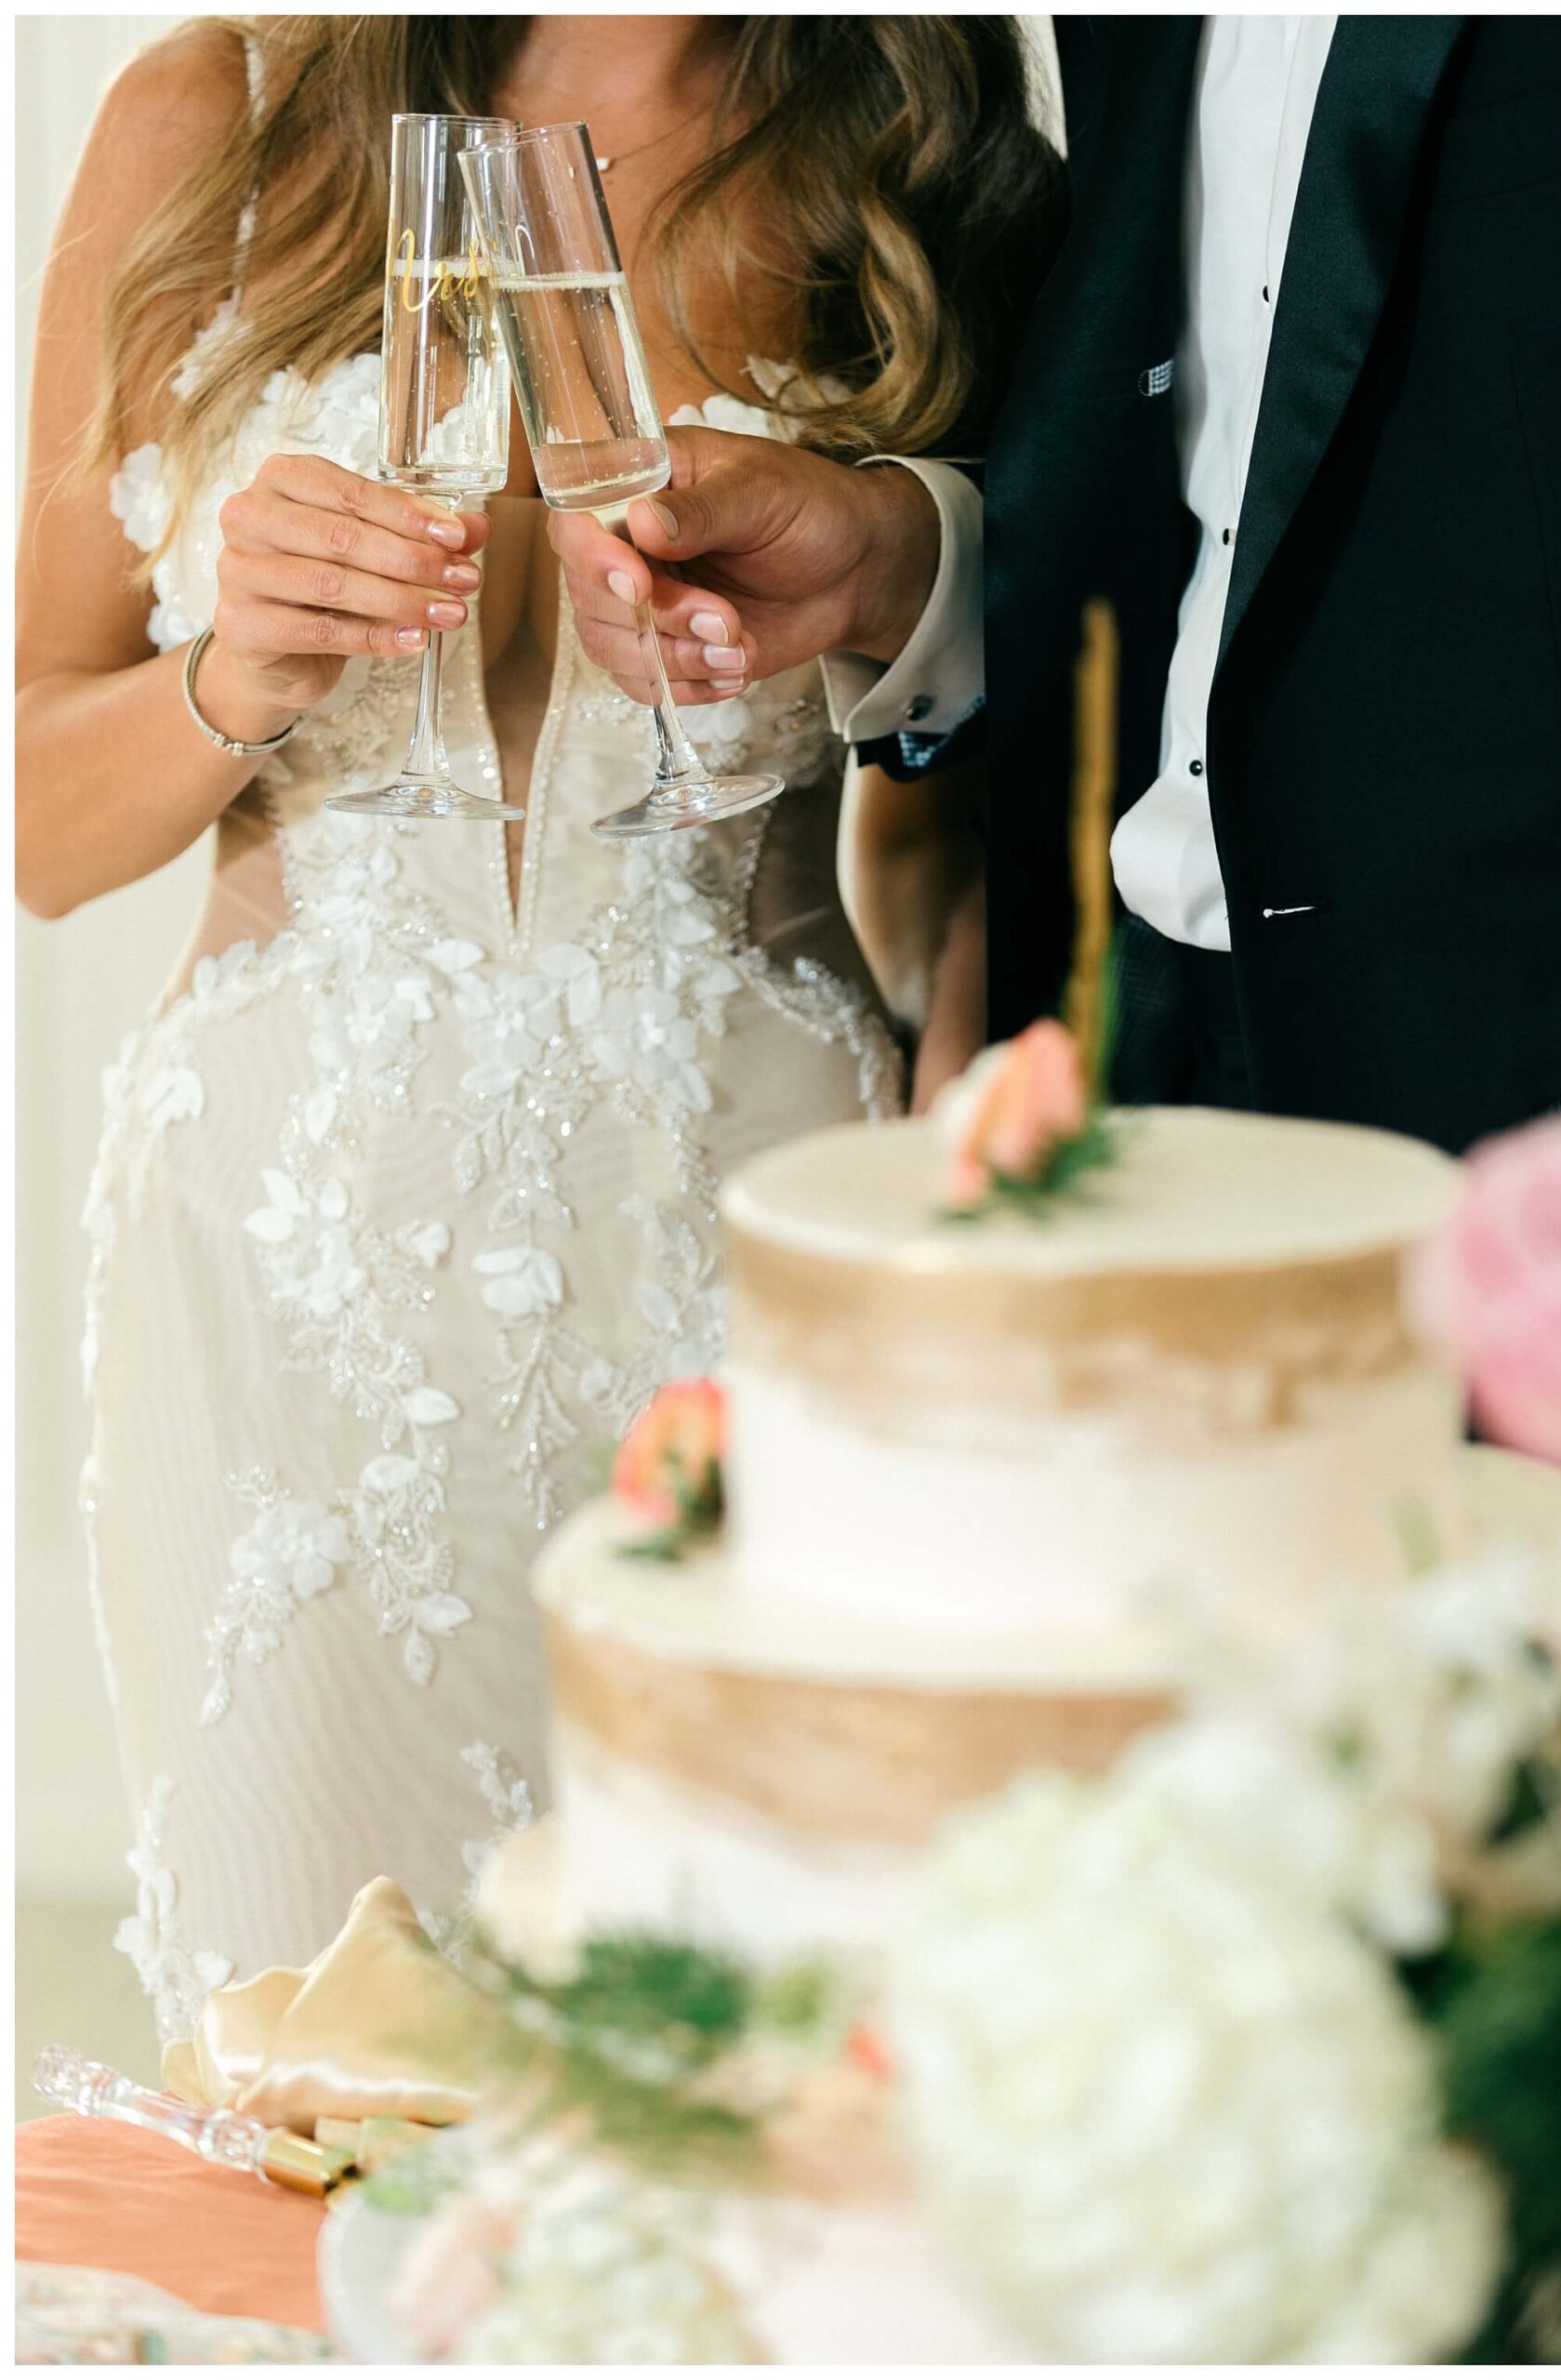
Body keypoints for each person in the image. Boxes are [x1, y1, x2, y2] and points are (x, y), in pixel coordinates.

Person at [16, 14, 1063, 2021]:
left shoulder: (921, 150)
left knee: (740, 2084)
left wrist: (967, 1264)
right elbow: (40, 822)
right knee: (315, 2075)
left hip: (749, 1263)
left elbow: (981, 834)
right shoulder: (210, 121)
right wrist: (233, 671)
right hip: (281, 1302)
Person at [554, 16, 1561, 1157]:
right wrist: (903, 565)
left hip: (1506, 1064)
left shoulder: (918, 126)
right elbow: (1161, 493)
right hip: (1130, 1023)